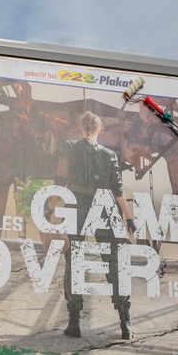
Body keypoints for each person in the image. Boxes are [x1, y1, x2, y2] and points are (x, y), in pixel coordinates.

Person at [55, 111, 137, 340]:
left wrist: (51, 208)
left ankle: (74, 323)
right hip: (104, 208)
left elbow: (61, 178)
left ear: (81, 127)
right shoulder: (109, 154)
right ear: (99, 129)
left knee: (74, 261)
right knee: (114, 263)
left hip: (77, 206)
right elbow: (117, 189)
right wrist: (128, 218)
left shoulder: (69, 147)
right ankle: (125, 322)